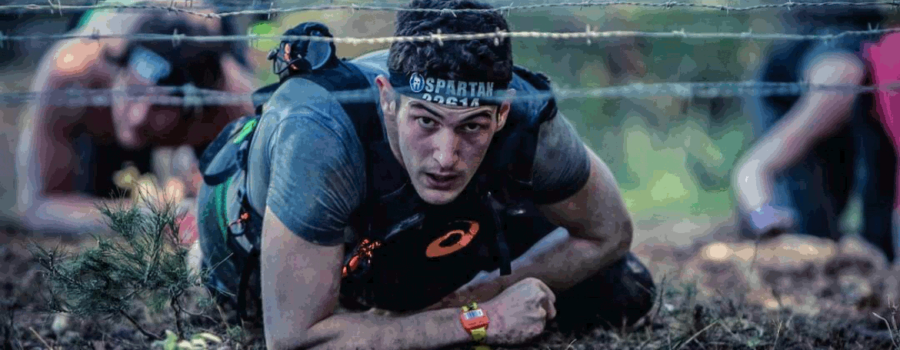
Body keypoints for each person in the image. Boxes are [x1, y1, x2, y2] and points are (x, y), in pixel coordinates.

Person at [194, 1, 656, 349]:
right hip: (272, 250)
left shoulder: (528, 119)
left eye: (472, 126)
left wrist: (473, 295)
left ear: (502, 112)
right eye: (426, 121)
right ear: (387, 99)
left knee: (622, 287)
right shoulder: (320, 135)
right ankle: (195, 259)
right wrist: (481, 319)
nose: (445, 156)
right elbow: (294, 340)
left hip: (414, 230)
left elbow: (609, 232)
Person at [14, 1, 257, 237]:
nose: (137, 117)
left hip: (203, 61)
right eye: (132, 92)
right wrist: (145, 217)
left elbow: (251, 206)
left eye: (160, 106)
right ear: (117, 72)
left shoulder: (229, 101)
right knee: (101, 198)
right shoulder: (73, 76)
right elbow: (40, 205)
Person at [732, 5, 897, 261]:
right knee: (809, 234)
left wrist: (757, 166)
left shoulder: (847, 53)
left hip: (842, 48)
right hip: (811, 49)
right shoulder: (784, 64)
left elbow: (840, 76)